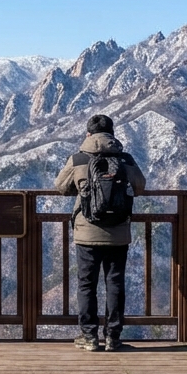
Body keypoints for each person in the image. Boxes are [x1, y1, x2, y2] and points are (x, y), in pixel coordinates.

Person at [55, 114, 147, 351]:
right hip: (118, 233)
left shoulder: (78, 159)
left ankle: (89, 337)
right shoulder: (125, 159)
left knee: (87, 284)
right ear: (112, 133)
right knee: (114, 283)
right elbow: (139, 186)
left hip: (86, 233)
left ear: (88, 134)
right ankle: (113, 338)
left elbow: (61, 187)